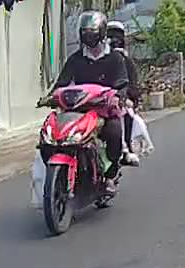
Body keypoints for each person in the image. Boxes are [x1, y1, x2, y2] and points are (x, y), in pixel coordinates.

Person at [48, 10, 128, 192]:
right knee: (52, 137)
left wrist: (118, 96)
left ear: (102, 32)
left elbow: (122, 83)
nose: (88, 36)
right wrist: (51, 96)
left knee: (114, 132)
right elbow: (62, 82)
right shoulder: (75, 59)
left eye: (92, 32)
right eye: (84, 32)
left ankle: (111, 174)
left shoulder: (115, 58)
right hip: (77, 110)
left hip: (104, 110)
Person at [105, 20, 142, 166]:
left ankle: (126, 148)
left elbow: (132, 82)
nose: (114, 39)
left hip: (120, 98)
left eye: (116, 35)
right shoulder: (99, 58)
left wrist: (129, 97)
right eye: (110, 35)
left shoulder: (126, 60)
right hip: (100, 97)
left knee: (126, 114)